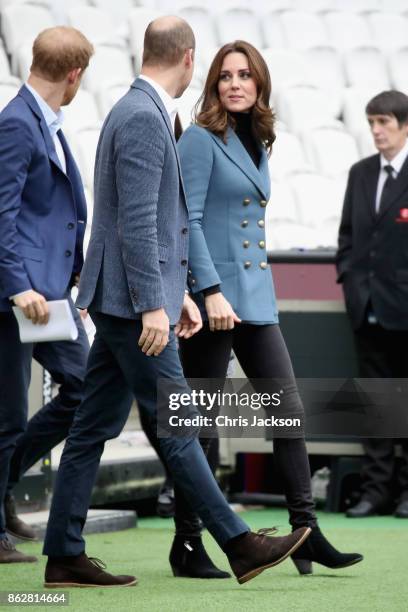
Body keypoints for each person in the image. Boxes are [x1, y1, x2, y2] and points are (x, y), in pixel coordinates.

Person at [41, 17, 310, 588]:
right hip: (130, 305)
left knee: (91, 427)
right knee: (181, 425)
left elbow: (154, 225)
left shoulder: (139, 110)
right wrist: (154, 306)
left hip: (127, 298)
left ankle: (63, 552)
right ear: (190, 59)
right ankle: (240, 543)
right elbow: (138, 225)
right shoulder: (143, 115)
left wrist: (176, 292)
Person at [172, 40, 363, 576]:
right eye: (226, 76)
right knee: (202, 425)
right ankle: (188, 542)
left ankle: (306, 531)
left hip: (256, 299)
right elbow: (190, 222)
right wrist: (208, 291)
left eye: (245, 75)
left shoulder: (259, 141)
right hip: (216, 301)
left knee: (288, 411)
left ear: (260, 85)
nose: (235, 83)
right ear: (213, 84)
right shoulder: (201, 141)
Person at [0, 26, 94, 563]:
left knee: (83, 388)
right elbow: (3, 215)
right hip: (18, 297)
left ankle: (5, 484)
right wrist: (17, 286)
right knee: (8, 416)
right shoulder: (17, 123)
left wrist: (73, 269)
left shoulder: (43, 121)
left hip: (52, 292)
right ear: (75, 75)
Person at [337, 90, 408, 519]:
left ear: (404, 125)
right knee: (376, 404)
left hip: (405, 310)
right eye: (372, 123)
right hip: (367, 309)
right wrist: (350, 280)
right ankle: (375, 490)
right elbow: (348, 237)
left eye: (384, 122)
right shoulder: (360, 173)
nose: (377, 131)